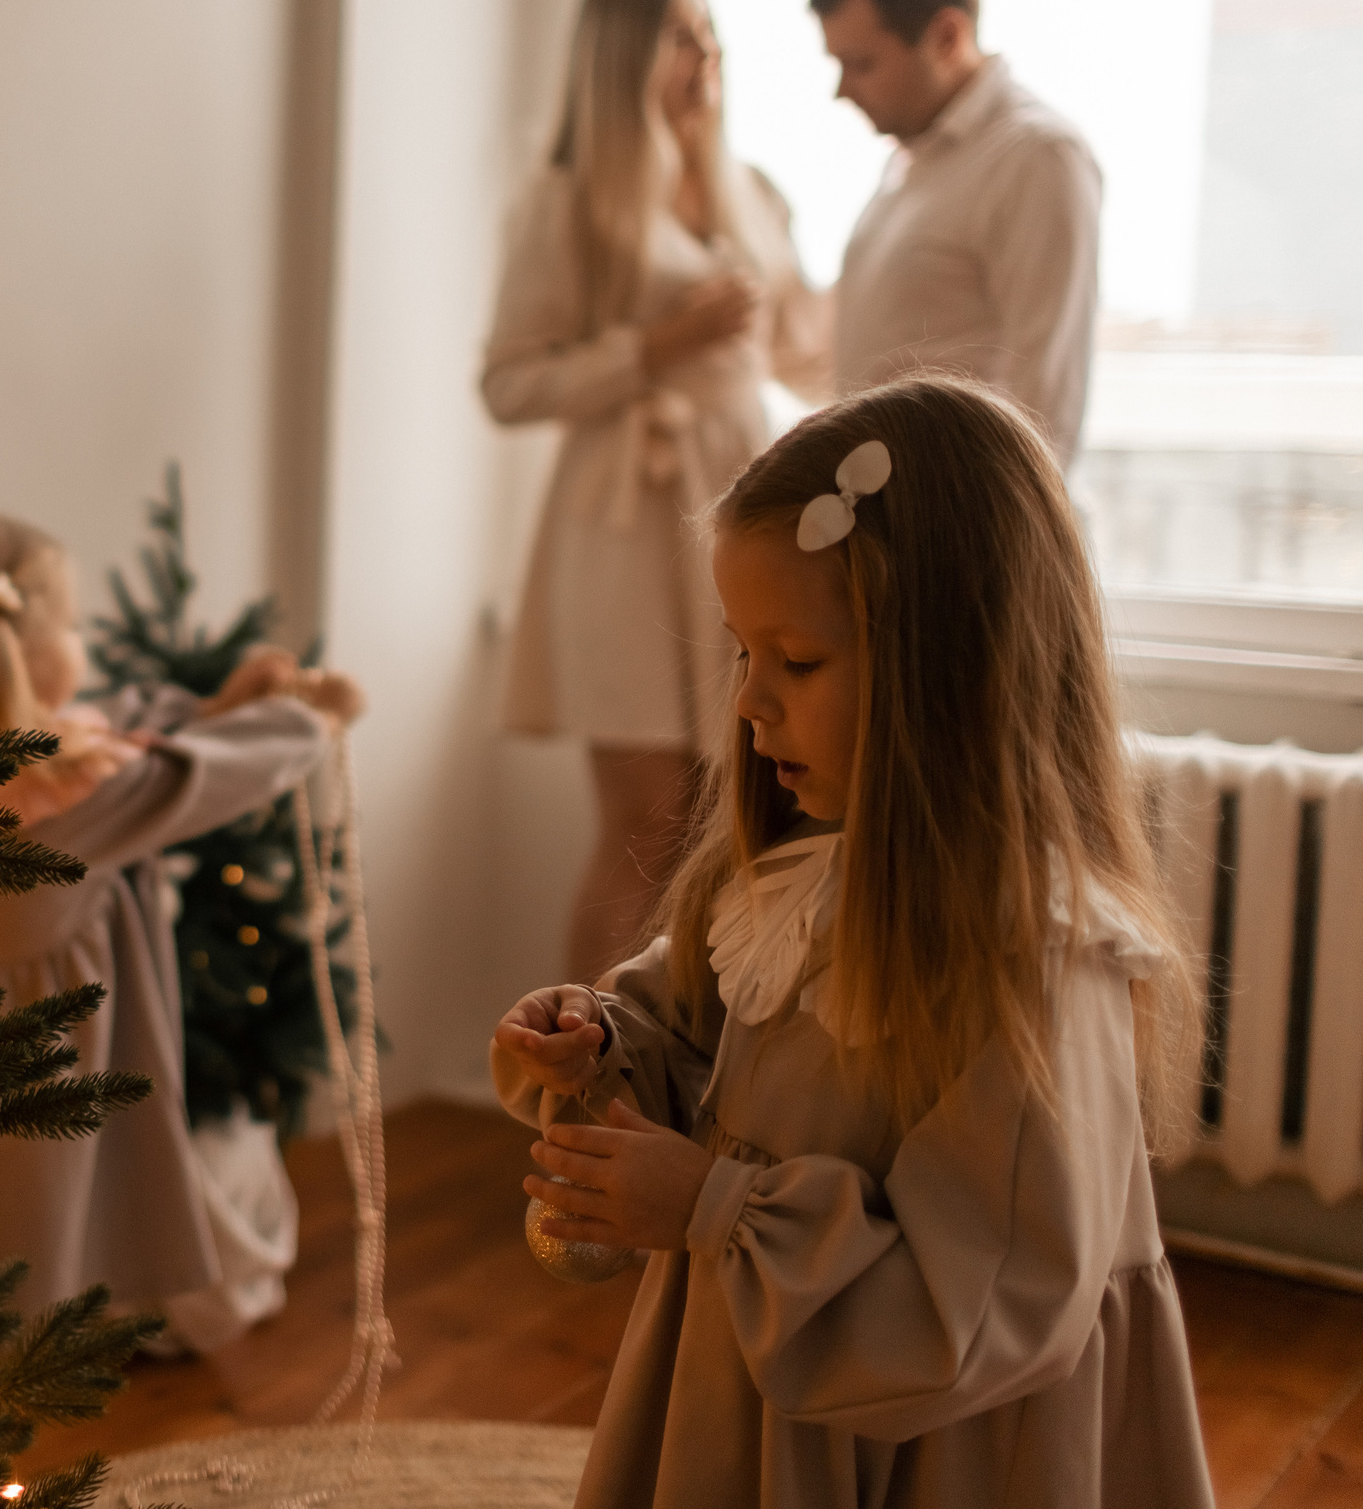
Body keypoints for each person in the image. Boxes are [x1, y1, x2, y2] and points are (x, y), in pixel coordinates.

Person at [489, 376, 1211, 1508]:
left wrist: (713, 1208)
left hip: (935, 1454)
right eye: (742, 654)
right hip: (755, 1399)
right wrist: (599, 1040)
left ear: (952, 667)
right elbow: (685, 1034)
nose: (747, 704)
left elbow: (977, 1308)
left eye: (798, 661)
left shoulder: (1032, 956)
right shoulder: (786, 876)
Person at [0, 510, 363, 1350]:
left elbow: (122, 730)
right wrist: (314, 722)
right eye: (72, 622)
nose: (81, 640)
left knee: (1, 1230)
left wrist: (221, 704)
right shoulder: (64, 792)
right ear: (24, 646)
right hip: (43, 1053)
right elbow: (187, 776)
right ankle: (12, 1389)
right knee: (31, 1245)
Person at [481, 0, 828, 983]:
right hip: (626, 528)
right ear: (624, 54)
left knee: (729, 821)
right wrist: (653, 347)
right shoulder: (566, 202)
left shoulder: (748, 192)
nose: (707, 53)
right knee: (646, 819)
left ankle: (690, 1062)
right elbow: (508, 384)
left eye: (710, 31)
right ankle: (580, 1061)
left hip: (740, 512)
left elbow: (798, 353)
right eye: (681, 34)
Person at [813, 0, 1102, 464]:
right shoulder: (914, 158)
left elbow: (1048, 402)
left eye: (862, 64)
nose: (842, 90)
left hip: (958, 512)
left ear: (947, 36)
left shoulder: (1035, 157)